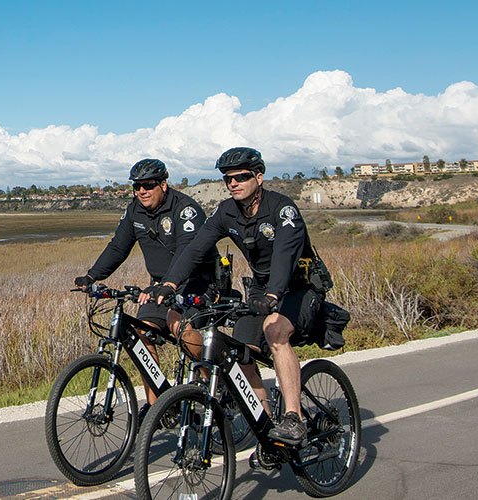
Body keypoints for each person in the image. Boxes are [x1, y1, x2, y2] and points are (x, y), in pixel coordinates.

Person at [147, 147, 320, 446]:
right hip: (261, 291)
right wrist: (170, 283)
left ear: (259, 177)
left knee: (275, 331)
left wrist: (273, 294)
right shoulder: (227, 211)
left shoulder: (282, 209)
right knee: (242, 354)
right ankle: (267, 430)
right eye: (228, 179)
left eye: (241, 177)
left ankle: (294, 418)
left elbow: (285, 255)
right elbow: (196, 248)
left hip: (299, 286)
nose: (234, 183)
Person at [75, 158, 218, 413]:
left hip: (198, 281)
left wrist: (166, 285)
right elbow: (119, 247)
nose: (142, 191)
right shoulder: (135, 210)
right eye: (137, 186)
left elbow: (187, 252)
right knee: (141, 333)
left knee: (178, 325)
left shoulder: (186, 211)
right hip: (159, 286)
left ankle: (212, 381)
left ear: (163, 184)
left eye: (148, 185)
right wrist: (92, 276)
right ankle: (157, 406)